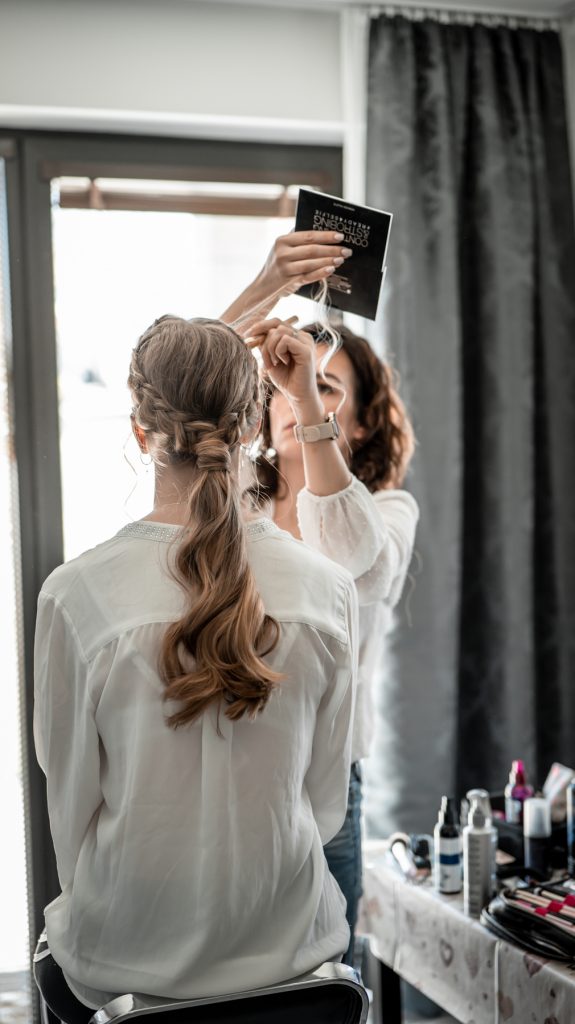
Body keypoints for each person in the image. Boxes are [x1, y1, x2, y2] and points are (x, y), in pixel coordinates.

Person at [33, 316, 358, 1019]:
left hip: (122, 976)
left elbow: (71, 814)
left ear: (139, 430)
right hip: (298, 968)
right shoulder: (328, 590)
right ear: (253, 425)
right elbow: (325, 801)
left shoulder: (76, 595)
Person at [222, 234, 419, 963]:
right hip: (229, 760)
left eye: (328, 385)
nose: (294, 391)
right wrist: (264, 285)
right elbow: (183, 395)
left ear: (360, 423)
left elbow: (349, 557)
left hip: (326, 778)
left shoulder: (388, 512)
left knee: (324, 967)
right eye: (282, 380)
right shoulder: (237, 497)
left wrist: (305, 397)